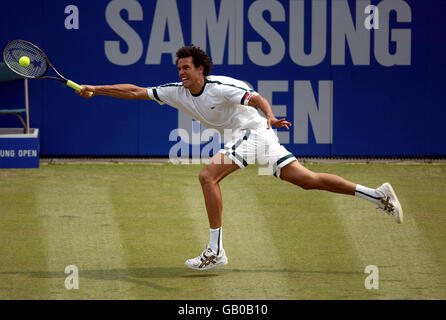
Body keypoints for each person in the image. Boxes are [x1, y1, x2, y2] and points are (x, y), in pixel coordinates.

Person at [78, 45, 403, 271]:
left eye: (186, 68)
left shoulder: (222, 86)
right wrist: (95, 87)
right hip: (251, 138)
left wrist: (271, 117)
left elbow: (256, 97)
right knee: (308, 181)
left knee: (207, 176)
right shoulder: (176, 91)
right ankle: (378, 195)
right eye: (178, 69)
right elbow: (135, 91)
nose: (181, 73)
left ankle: (215, 250)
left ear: (200, 69)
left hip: (256, 133)